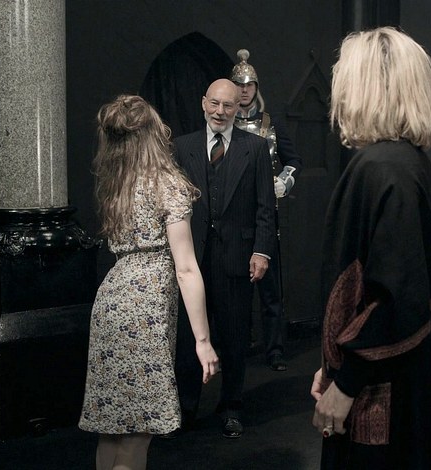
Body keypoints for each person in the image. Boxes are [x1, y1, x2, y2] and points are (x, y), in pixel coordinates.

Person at [310, 27, 431, 470]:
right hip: (406, 375)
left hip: (388, 387)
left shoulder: (383, 167)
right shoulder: (404, 160)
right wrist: (334, 366)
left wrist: (345, 382)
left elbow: (396, 300)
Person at [79, 95, 219, 470]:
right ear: (153, 134)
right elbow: (186, 268)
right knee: (138, 432)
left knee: (111, 428)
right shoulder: (166, 184)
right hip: (145, 309)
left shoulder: (117, 184)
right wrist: (203, 341)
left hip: (110, 300)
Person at [172, 78, 277, 439]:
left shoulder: (256, 148)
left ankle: (231, 406)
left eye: (228, 105)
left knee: (234, 340)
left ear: (238, 107)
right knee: (189, 340)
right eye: (214, 104)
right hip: (193, 260)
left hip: (237, 259)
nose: (220, 112)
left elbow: (266, 207)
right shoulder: (181, 147)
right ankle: (186, 408)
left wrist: (261, 251)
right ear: (204, 103)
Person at [231, 49, 304, 371]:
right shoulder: (224, 124)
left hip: (266, 214)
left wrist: (284, 181)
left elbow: (294, 159)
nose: (244, 90)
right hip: (234, 216)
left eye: (249, 85)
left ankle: (274, 349)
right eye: (239, 85)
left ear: (256, 88)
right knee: (236, 288)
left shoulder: (270, 124)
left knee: (271, 289)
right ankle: (238, 345)